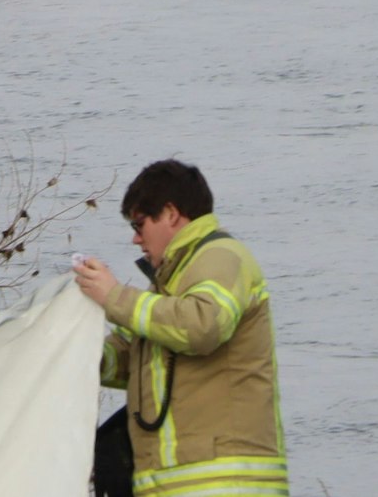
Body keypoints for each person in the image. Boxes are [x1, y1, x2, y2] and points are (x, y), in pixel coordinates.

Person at [72, 160, 288, 497]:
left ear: (171, 214)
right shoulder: (169, 284)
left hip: (224, 485)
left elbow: (201, 326)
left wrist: (114, 297)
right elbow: (132, 358)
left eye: (139, 224)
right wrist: (75, 355)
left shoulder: (220, 257)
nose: (135, 238)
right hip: (180, 484)